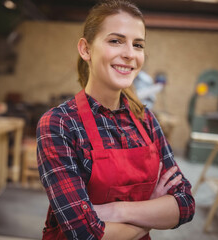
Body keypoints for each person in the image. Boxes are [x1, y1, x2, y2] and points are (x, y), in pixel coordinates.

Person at [36, 1, 195, 239]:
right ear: (86, 49)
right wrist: (151, 211)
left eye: (138, 44)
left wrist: (117, 210)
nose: (130, 54)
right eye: (115, 41)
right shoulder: (60, 124)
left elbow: (185, 204)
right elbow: (85, 234)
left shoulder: (145, 120)